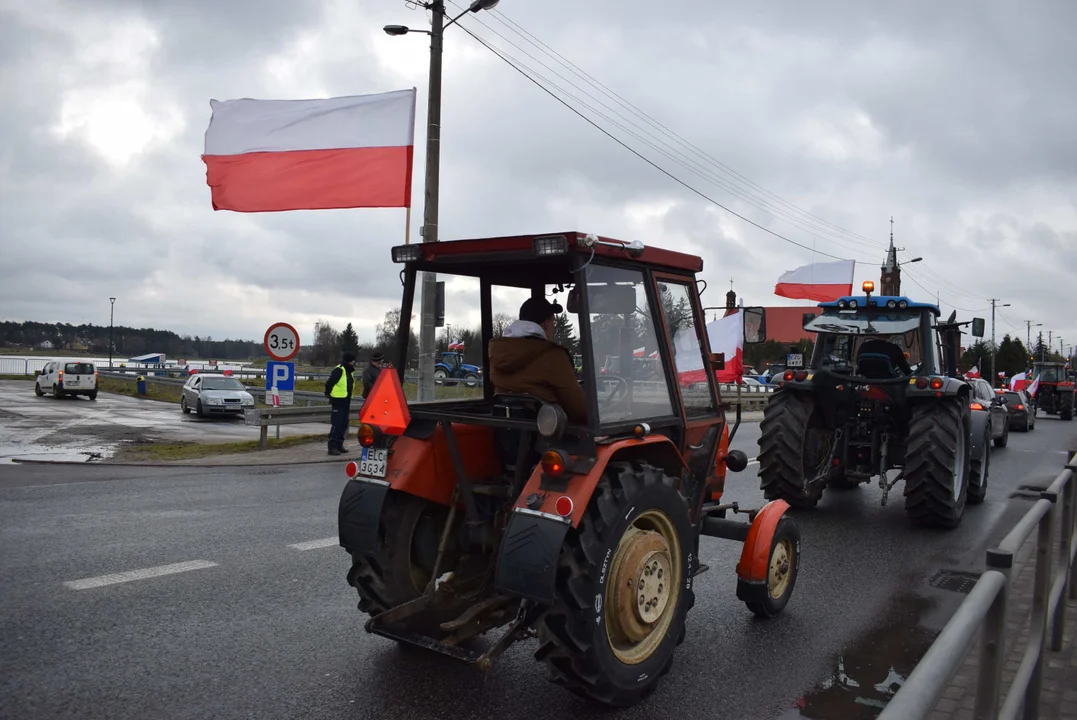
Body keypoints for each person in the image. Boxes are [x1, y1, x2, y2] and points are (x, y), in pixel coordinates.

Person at [488, 297, 588, 423]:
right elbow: (580, 410)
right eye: (553, 322)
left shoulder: (498, 353)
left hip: (506, 434)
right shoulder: (553, 355)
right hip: (551, 436)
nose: (554, 327)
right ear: (546, 324)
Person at [324, 352, 356, 456]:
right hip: (338, 401)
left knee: (343, 424)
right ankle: (332, 446)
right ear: (349, 361)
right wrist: (329, 394)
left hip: (346, 401)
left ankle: (339, 445)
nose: (354, 362)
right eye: (352, 361)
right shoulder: (339, 370)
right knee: (337, 424)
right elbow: (329, 383)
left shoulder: (349, 371)